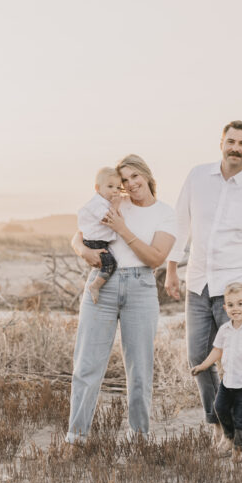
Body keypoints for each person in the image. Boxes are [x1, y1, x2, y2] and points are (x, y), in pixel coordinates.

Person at [164, 120, 242, 443]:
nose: (236, 148)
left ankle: (233, 432)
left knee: (239, 362)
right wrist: (172, 267)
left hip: (237, 290)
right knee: (199, 360)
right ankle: (220, 426)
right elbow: (180, 223)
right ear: (221, 142)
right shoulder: (198, 176)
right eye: (231, 141)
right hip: (198, 281)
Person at [66, 154, 177, 444]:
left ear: (147, 175)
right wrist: (84, 252)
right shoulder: (114, 200)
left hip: (140, 287)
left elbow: (155, 257)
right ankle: (76, 438)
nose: (129, 184)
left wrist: (122, 229)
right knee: (87, 365)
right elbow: (78, 236)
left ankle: (138, 438)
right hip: (102, 285)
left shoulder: (165, 213)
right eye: (124, 180)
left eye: (134, 177)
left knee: (139, 370)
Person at [190, 281, 242, 456]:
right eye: (230, 305)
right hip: (228, 381)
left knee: (241, 417)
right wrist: (203, 366)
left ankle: (240, 449)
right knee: (219, 407)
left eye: (240, 304)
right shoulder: (225, 330)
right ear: (225, 308)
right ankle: (229, 436)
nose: (235, 308)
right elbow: (217, 350)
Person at [77, 167, 123, 304]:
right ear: (97, 188)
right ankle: (95, 285)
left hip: (99, 240)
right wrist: (115, 206)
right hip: (95, 242)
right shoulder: (97, 203)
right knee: (110, 264)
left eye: (118, 187)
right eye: (110, 186)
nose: (115, 190)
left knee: (107, 263)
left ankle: (97, 283)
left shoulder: (104, 202)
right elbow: (108, 219)